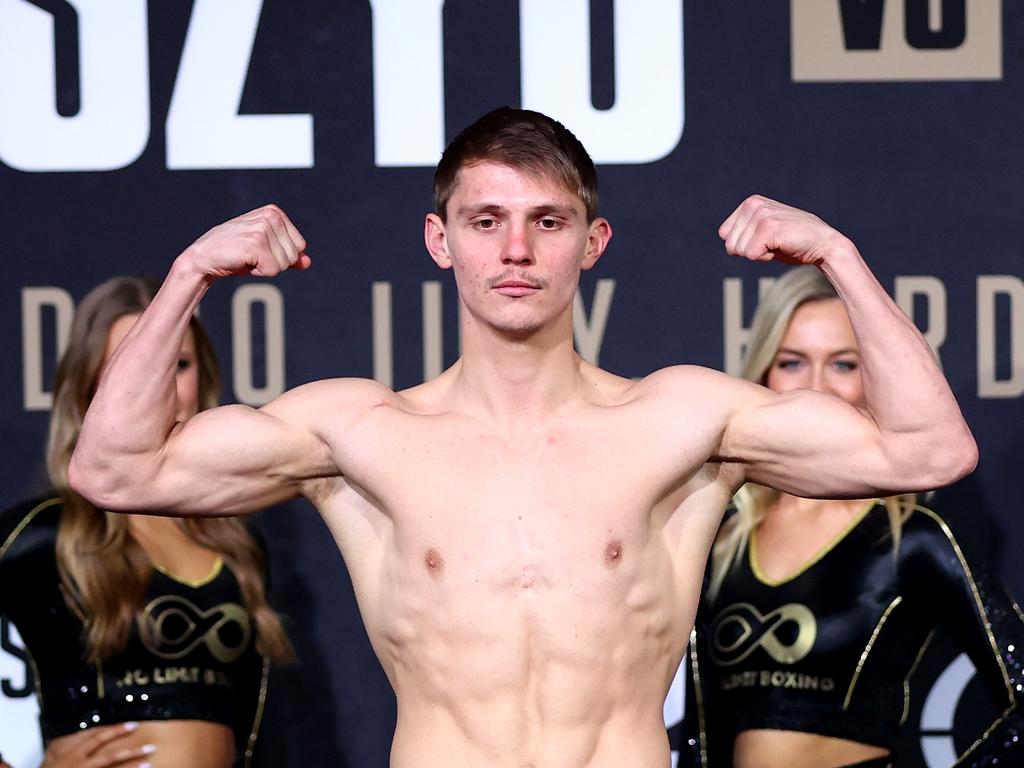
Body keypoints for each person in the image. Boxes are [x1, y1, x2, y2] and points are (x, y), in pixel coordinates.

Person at [68, 107, 977, 766]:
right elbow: (114, 467)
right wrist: (190, 274)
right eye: (485, 221)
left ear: (593, 241)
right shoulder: (360, 432)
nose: (515, 251)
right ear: (439, 239)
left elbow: (929, 451)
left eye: (547, 222)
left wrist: (838, 257)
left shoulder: (682, 421)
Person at [681, 266, 1024, 768]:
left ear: (877, 380)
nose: (815, 387)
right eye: (793, 361)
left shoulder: (914, 538)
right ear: (762, 374)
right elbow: (701, 733)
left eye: (844, 364)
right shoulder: (722, 535)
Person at [0, 277, 292, 768]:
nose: (157, 389)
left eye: (178, 365)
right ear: (89, 384)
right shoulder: (41, 535)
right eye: (129, 367)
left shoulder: (239, 547)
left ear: (205, 376)